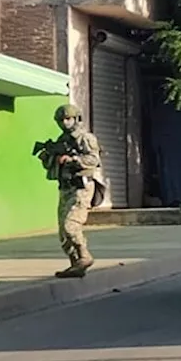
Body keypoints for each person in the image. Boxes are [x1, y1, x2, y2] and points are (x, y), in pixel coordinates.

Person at [40, 104, 107, 278]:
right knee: (63, 231)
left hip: (80, 187)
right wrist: (48, 158)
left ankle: (84, 257)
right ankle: (75, 263)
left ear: (76, 118)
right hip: (65, 187)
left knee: (71, 226)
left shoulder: (85, 138)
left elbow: (94, 159)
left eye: (68, 119)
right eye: (61, 120)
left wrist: (73, 159)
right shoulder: (62, 139)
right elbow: (53, 165)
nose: (65, 123)